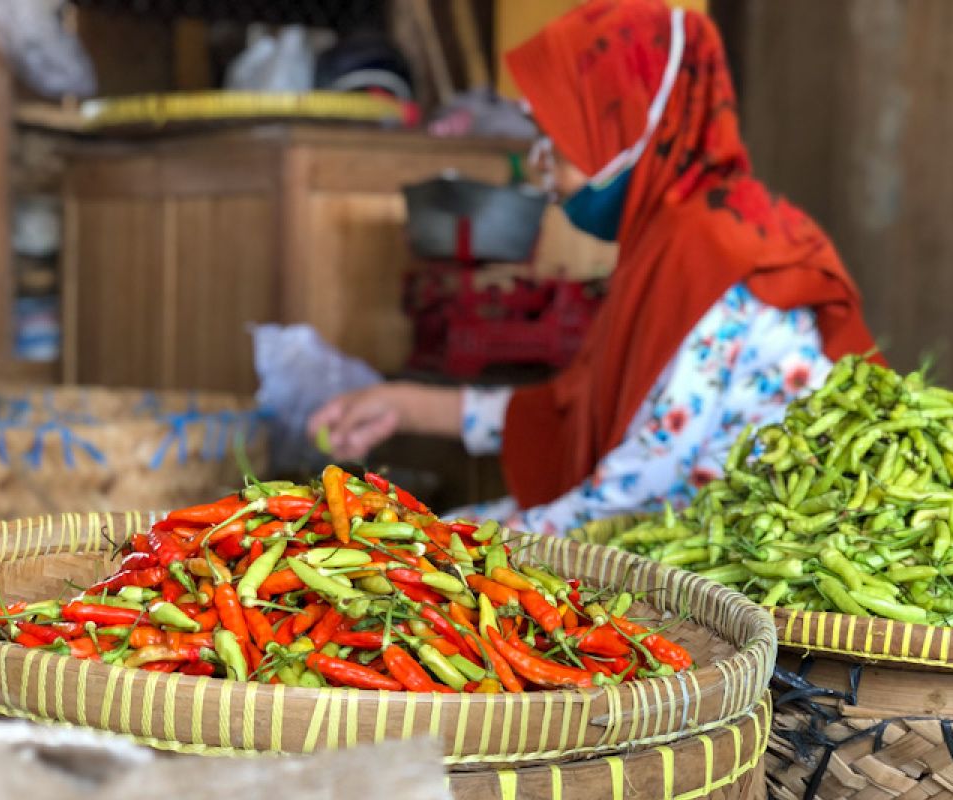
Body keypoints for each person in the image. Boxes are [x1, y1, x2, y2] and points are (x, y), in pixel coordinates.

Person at [308, 0, 880, 535]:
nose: (543, 170)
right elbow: (576, 408)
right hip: (680, 515)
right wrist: (405, 405)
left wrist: (460, 546)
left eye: (557, 142)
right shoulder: (681, 234)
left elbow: (637, 489)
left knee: (421, 548)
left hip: (732, 536)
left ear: (631, 132)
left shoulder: (704, 253)